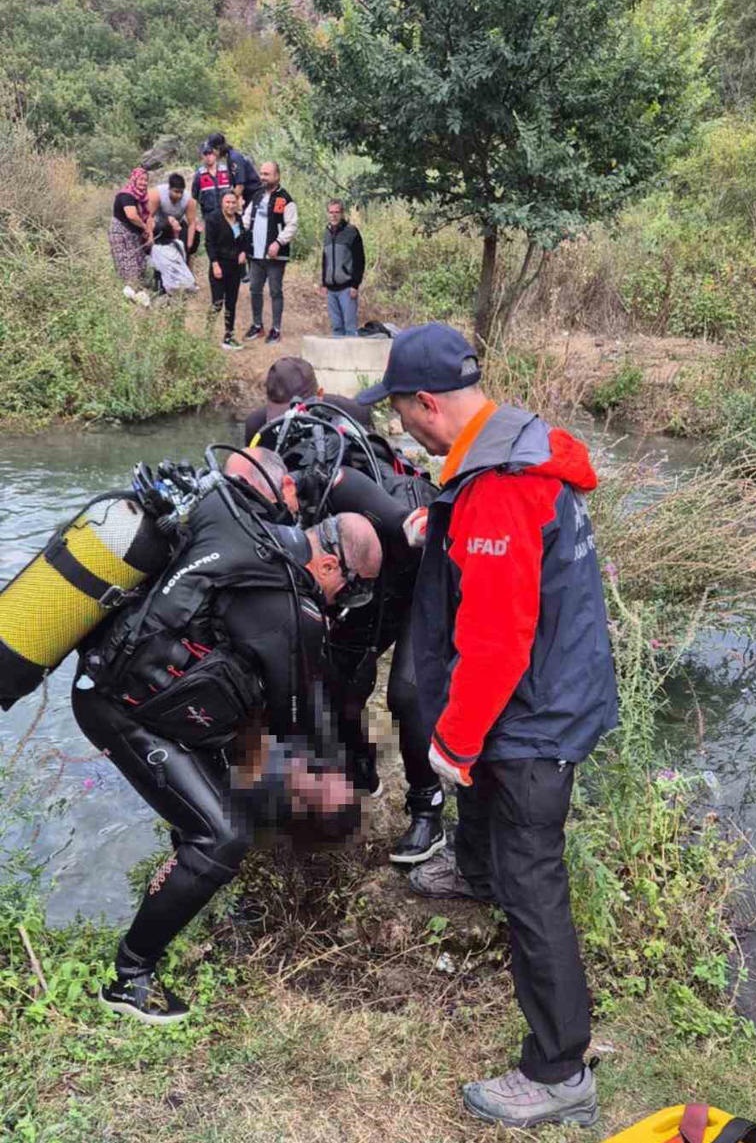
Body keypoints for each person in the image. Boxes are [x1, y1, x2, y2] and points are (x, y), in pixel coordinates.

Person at [357, 322, 619, 1130]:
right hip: (543, 689)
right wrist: (443, 528)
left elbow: (499, 640)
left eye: (400, 411)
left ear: (427, 403)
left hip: (535, 714)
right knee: (481, 798)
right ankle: (473, 871)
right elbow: (501, 554)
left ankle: (559, 1069)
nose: (401, 426)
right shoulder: (510, 443)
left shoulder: (503, 485)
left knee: (533, 879)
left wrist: (455, 738)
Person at [73, 486, 383, 1025]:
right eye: (349, 591)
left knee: (235, 800)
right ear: (329, 563)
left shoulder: (250, 537)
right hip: (119, 708)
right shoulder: (292, 608)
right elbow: (295, 719)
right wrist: (342, 773)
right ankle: (129, 976)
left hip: (145, 693)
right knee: (222, 835)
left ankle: (191, 884)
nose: (342, 603)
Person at [229, 445, 445, 863]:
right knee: (339, 682)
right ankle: (362, 771)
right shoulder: (258, 516)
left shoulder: (335, 485)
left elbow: (415, 528)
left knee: (407, 693)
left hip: (420, 567)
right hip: (358, 579)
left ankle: (427, 810)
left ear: (287, 486)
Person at [243, 356, 371, 447]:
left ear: (320, 396)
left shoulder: (352, 415)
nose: (286, 425)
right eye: (278, 418)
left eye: (297, 415)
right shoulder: (257, 426)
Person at [242, 161, 298, 344]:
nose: (263, 177)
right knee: (255, 290)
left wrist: (278, 242)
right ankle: (257, 325)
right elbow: (246, 220)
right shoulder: (257, 195)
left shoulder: (285, 199)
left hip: (275, 256)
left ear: (277, 176)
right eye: (261, 173)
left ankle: (276, 329)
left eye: (267, 174)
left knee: (275, 291)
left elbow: (292, 225)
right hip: (255, 254)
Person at [205, 191, 248, 350]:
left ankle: (229, 336)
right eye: (227, 202)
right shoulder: (213, 219)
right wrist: (214, 264)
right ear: (222, 203)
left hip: (235, 266)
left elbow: (243, 240)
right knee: (217, 302)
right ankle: (207, 335)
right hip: (219, 265)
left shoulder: (238, 219)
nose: (230, 205)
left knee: (231, 302)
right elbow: (209, 243)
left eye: (233, 202)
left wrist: (243, 252)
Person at [321, 199, 365, 337]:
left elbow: (359, 260)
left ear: (342, 213)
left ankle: (352, 352)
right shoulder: (327, 233)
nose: (334, 215)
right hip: (331, 290)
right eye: (331, 212)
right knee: (336, 328)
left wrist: (355, 285)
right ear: (327, 213)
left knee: (350, 328)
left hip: (347, 289)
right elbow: (325, 259)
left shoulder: (351, 232)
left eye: (337, 212)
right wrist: (324, 283)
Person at [109, 166, 152, 300]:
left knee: (139, 262)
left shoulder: (142, 197)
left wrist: (148, 232)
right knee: (128, 263)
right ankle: (131, 296)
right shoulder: (126, 195)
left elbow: (149, 215)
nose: (144, 183)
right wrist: (145, 228)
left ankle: (137, 292)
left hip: (134, 234)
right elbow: (132, 216)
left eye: (146, 180)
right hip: (121, 233)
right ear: (134, 179)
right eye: (141, 179)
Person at [148, 172, 199, 260]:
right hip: (160, 224)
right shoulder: (157, 194)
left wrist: (188, 246)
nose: (179, 195)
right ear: (169, 188)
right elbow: (149, 217)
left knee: (184, 246)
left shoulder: (189, 199)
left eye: (181, 192)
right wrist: (150, 236)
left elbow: (192, 223)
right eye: (176, 192)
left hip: (178, 224)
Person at [205, 132, 261, 206]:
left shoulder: (234, 158)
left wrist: (228, 204)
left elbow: (240, 186)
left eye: (212, 151)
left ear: (218, 148)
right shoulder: (230, 158)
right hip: (249, 197)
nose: (212, 154)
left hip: (254, 196)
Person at [149, 217, 197, 296]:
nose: (176, 221)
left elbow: (155, 266)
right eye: (173, 221)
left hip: (171, 287)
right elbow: (184, 260)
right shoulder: (179, 244)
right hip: (189, 283)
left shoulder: (155, 249)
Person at [191, 142, 233, 221]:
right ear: (202, 156)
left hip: (228, 216)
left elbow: (235, 191)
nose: (208, 156)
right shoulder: (199, 175)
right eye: (205, 154)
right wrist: (195, 219)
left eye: (210, 153)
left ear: (215, 154)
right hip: (209, 217)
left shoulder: (226, 171)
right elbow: (194, 198)